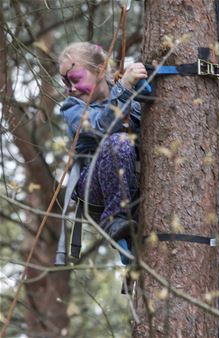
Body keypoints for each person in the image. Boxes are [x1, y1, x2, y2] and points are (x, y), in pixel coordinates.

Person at [58, 42, 148, 264]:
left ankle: (128, 233)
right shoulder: (72, 108)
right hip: (95, 189)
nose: (71, 87)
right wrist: (124, 88)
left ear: (99, 70)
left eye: (75, 79)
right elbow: (102, 126)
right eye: (66, 82)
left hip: (134, 186)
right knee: (117, 142)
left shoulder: (129, 94)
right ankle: (114, 218)